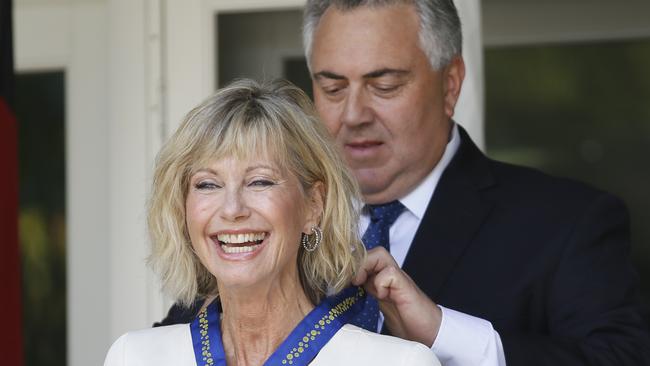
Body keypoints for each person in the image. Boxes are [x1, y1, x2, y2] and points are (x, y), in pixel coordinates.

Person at [159, 1, 650, 365]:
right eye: (332, 87)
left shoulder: (566, 222)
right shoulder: (259, 223)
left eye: (384, 85)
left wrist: (442, 333)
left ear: (451, 83)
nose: (353, 115)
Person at [104, 79, 440, 366]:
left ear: (313, 205)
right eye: (208, 184)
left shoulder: (399, 363)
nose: (232, 208)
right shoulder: (134, 357)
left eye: (260, 181)